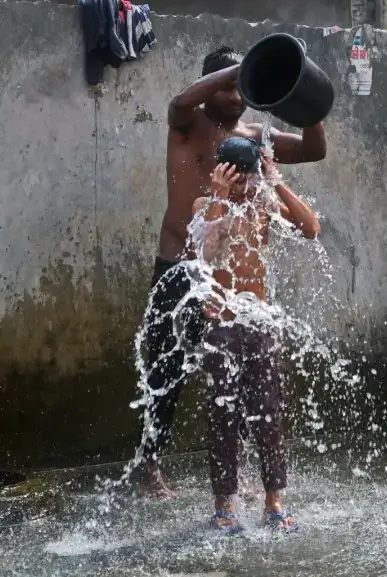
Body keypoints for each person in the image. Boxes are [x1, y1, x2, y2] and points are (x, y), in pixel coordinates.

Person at [136, 45, 327, 498]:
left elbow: (315, 149)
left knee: (237, 375)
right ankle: (148, 466)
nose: (237, 94)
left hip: (232, 284)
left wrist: (305, 101)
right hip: (181, 268)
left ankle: (236, 476)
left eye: (242, 88)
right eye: (227, 86)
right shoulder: (189, 124)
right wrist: (243, 68)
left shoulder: (256, 136)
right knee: (166, 370)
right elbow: (179, 102)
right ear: (210, 87)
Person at [194, 136, 320, 532]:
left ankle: (274, 502)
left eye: (248, 177)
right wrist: (218, 194)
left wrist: (275, 179)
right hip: (222, 322)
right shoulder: (206, 206)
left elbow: (311, 228)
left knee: (269, 412)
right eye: (237, 177)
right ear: (223, 174)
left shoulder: (262, 204)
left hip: (258, 319)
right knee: (221, 413)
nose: (245, 185)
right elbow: (209, 253)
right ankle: (223, 506)